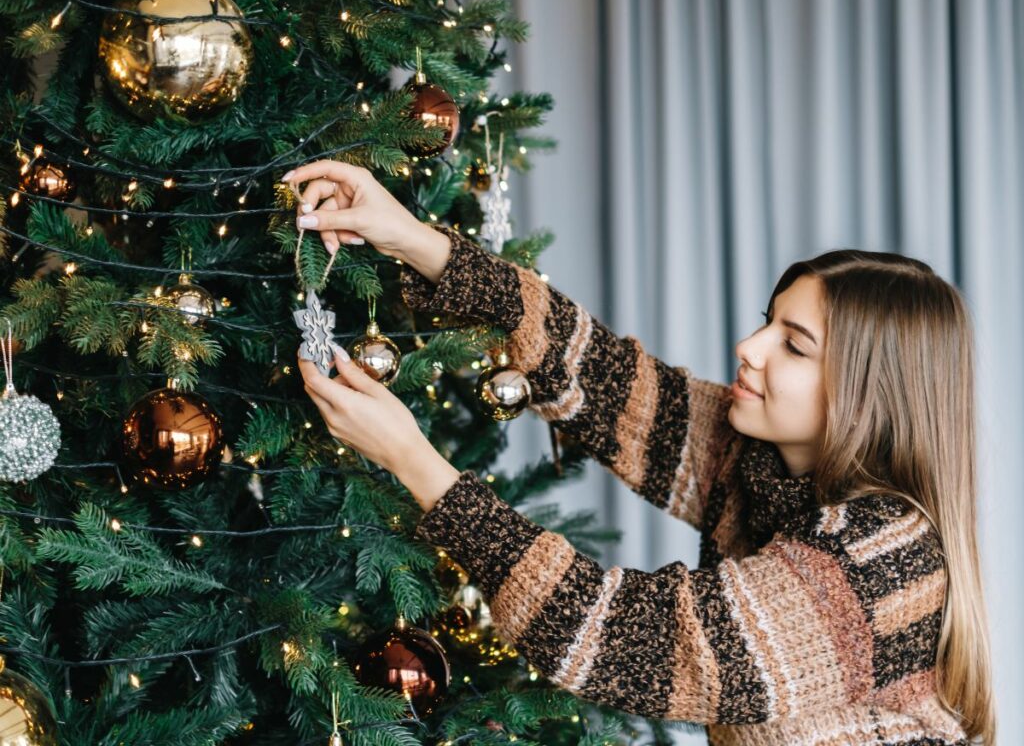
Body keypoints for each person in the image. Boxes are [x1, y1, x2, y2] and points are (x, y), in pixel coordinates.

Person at [287, 160, 995, 746]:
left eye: (794, 345)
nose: (749, 350)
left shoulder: (873, 562)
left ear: (869, 393)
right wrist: (414, 240)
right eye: (765, 324)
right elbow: (603, 381)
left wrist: (414, 461)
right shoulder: (768, 464)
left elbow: (629, 638)